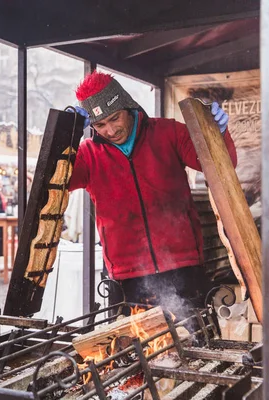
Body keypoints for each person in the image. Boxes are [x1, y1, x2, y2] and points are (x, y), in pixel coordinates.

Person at [69, 71, 236, 317]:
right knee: (134, 351)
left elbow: (222, 165)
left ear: (128, 106)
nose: (111, 130)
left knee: (197, 343)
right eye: (100, 125)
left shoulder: (168, 132)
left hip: (183, 267)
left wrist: (218, 135)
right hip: (127, 277)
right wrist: (65, 136)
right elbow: (57, 182)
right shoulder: (88, 154)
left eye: (115, 118)